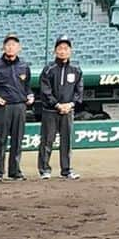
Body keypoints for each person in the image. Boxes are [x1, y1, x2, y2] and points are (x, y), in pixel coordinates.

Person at [0, 32, 33, 182]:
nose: (10, 48)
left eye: (14, 45)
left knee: (17, 140)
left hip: (20, 107)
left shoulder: (24, 66)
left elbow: (27, 86)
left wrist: (30, 95)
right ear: (3, 47)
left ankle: (15, 171)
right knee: (1, 140)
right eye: (8, 45)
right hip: (2, 107)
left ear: (19, 48)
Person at [38, 35, 83, 180]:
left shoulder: (76, 69)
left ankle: (67, 169)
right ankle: (44, 169)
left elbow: (79, 91)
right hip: (50, 111)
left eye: (65, 48)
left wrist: (70, 105)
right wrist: (57, 105)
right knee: (47, 141)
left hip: (68, 111)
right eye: (60, 48)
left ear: (70, 51)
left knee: (67, 142)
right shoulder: (48, 69)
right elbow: (45, 91)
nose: (62, 51)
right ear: (55, 51)